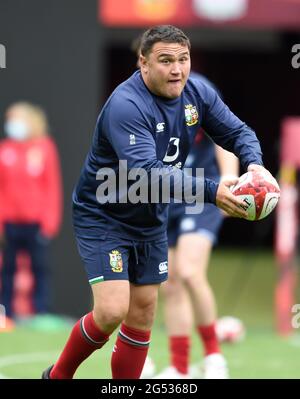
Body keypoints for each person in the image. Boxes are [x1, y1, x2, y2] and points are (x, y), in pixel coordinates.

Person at [42, 25, 269, 379]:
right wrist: (213, 191)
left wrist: (254, 165)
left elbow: (238, 132)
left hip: (151, 214)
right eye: (165, 61)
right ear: (143, 63)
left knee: (144, 310)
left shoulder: (198, 93)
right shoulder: (126, 105)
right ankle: (57, 376)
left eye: (183, 59)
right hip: (106, 214)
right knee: (113, 310)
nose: (177, 69)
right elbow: (146, 173)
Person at [0, 102, 62, 325]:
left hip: (36, 222)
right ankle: (5, 313)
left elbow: (52, 186)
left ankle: (41, 312)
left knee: (40, 268)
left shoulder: (44, 147)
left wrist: (49, 222)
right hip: (9, 222)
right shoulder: (5, 148)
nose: (12, 124)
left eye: (16, 118)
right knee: (7, 268)